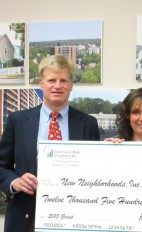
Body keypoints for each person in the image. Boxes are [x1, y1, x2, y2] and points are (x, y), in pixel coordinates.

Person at [0, 55, 100, 232]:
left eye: (63, 80)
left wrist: (113, 149)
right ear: (41, 84)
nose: (57, 86)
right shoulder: (18, 121)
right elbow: (1, 166)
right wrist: (14, 182)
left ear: (71, 86)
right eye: (51, 80)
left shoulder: (88, 123)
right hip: (26, 215)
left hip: (75, 216)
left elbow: (96, 170)